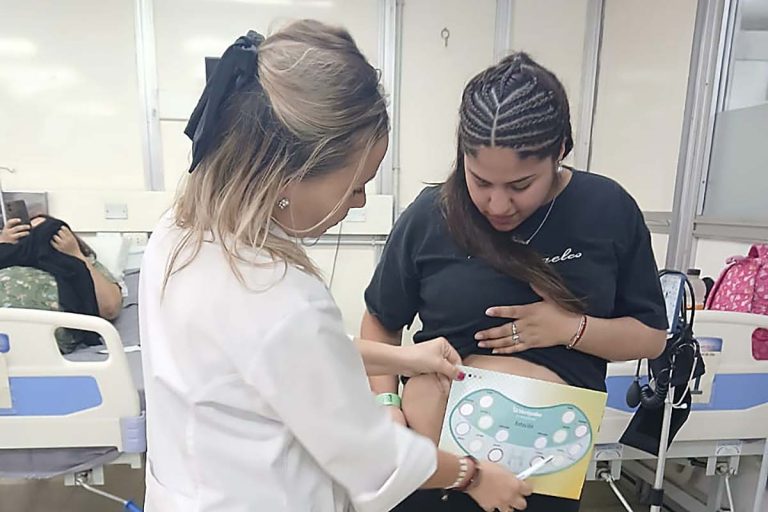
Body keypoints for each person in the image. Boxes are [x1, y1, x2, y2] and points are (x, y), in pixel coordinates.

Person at [139, 21, 531, 512]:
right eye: (356, 184)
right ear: (289, 174)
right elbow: (371, 458)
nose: (360, 201)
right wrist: (471, 474)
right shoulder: (279, 298)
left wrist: (406, 359)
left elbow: (281, 361)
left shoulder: (179, 234)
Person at [362, 52, 669, 511]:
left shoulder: (607, 210)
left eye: (521, 186)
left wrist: (571, 329)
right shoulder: (431, 214)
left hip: (540, 474)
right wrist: (387, 404)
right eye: (480, 181)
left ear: (559, 151)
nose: (498, 205)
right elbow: (380, 321)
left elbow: (651, 337)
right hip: (434, 471)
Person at [0, 215, 123, 352]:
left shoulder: (82, 266)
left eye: (49, 232)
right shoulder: (7, 258)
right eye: (31, 233)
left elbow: (110, 308)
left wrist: (77, 255)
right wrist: (3, 245)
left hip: (41, 343)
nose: (38, 237)